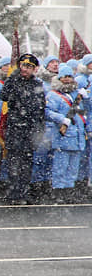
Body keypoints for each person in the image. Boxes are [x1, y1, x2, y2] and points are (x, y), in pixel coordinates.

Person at [0, 53, 46, 205]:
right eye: (23, 66)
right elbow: (3, 96)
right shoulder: (13, 81)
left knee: (27, 163)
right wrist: (12, 77)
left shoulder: (37, 84)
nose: (25, 69)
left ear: (34, 69)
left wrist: (39, 130)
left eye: (29, 67)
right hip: (15, 128)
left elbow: (40, 109)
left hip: (30, 129)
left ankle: (24, 192)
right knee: (14, 163)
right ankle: (13, 193)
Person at [44, 65, 87, 203]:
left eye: (69, 76)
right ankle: (58, 192)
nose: (67, 79)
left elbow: (82, 112)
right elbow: (47, 112)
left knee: (73, 168)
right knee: (60, 167)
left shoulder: (77, 95)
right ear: (59, 78)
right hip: (63, 136)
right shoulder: (53, 95)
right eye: (64, 77)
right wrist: (61, 119)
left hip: (78, 136)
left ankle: (69, 191)